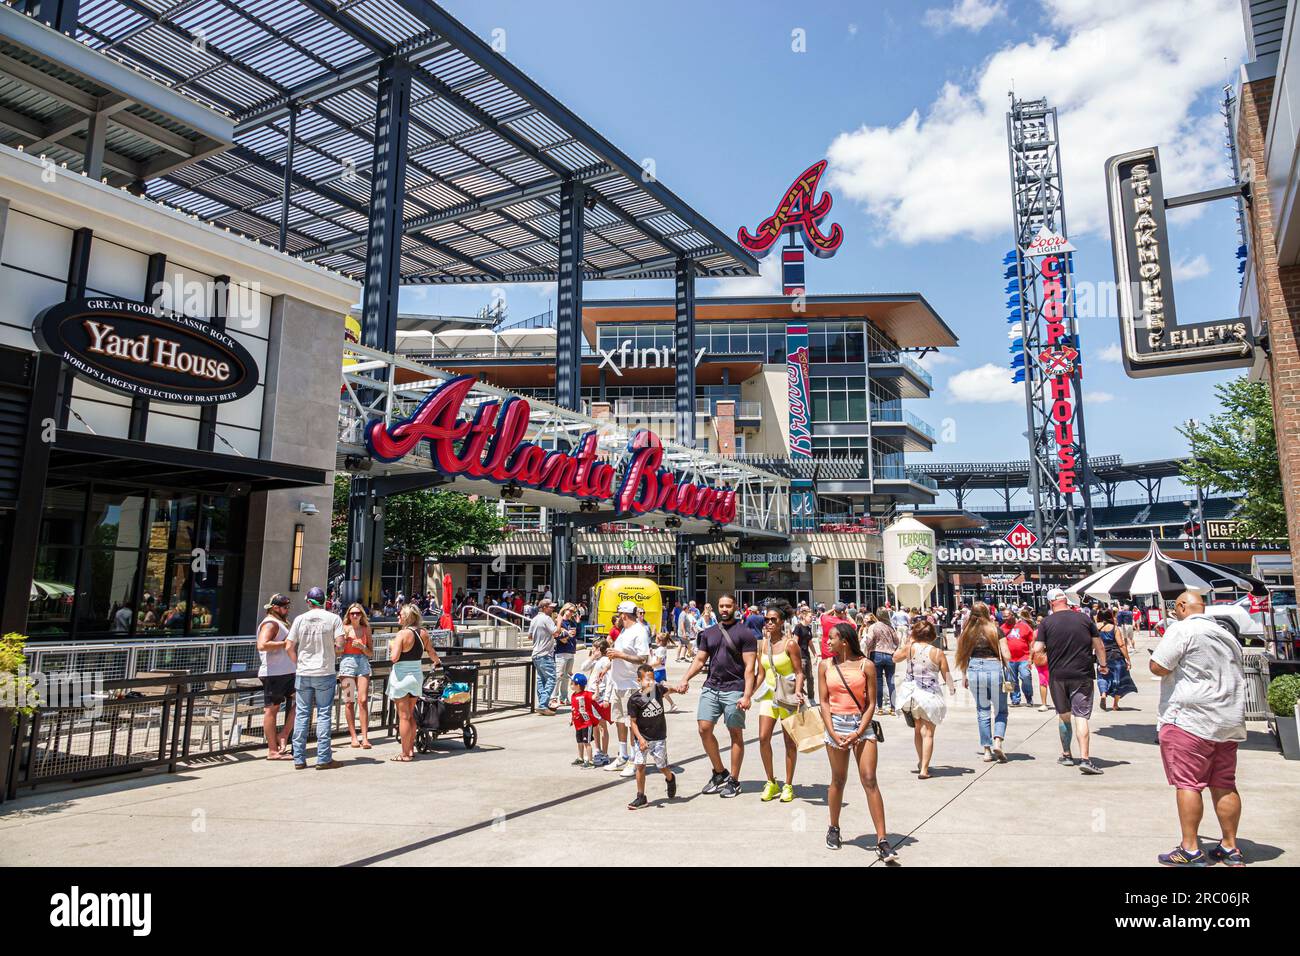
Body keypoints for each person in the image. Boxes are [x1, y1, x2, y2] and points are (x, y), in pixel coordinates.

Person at [1150, 590, 1248, 867]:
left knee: (1188, 784)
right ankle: (1230, 847)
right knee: (1224, 783)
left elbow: (1158, 666)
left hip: (1190, 719)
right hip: (1227, 719)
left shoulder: (1182, 630)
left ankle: (1190, 849)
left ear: (1181, 606)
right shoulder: (1226, 635)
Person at [819, 622, 896, 861]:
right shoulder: (825, 666)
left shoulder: (867, 665)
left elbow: (871, 703)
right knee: (838, 779)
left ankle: (882, 839)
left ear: (844, 641)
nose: (827, 642)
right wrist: (831, 731)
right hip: (836, 725)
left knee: (869, 779)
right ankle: (834, 827)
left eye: (831, 638)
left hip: (861, 725)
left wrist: (858, 731)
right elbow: (823, 701)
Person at [674, 593, 756, 798]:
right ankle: (719, 771)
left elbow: (750, 667)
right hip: (711, 687)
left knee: (735, 734)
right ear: (717, 608)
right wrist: (685, 679)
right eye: (722, 606)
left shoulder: (745, 633)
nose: (725, 609)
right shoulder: (709, 633)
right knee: (704, 729)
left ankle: (734, 780)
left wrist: (747, 695)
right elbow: (700, 660)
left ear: (735, 606)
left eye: (728, 606)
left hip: (734, 689)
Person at [1031, 589, 1108, 776]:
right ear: (1066, 600)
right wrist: (1103, 665)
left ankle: (1066, 755)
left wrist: (1046, 651)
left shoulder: (1046, 623)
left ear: (1051, 604)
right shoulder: (1084, 619)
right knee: (1081, 716)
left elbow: (1037, 648)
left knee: (1064, 715)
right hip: (1082, 673)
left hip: (1057, 675)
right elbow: (1099, 645)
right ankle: (1085, 759)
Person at [285, 586, 344, 770]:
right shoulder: (334, 619)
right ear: (324, 600)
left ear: (308, 602)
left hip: (304, 672)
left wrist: (298, 663)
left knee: (302, 714)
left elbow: (288, 646)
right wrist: (329, 654)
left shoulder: (300, 619)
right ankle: (323, 758)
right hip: (324, 671)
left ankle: (299, 758)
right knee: (324, 714)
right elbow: (340, 646)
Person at [755, 601, 805, 803]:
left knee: (789, 742)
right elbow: (761, 673)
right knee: (763, 738)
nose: (768, 623)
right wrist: (748, 693)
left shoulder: (790, 644)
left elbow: (799, 672)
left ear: (782, 621)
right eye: (766, 620)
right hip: (768, 696)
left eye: (773, 620)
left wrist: (799, 691)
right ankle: (770, 781)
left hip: (787, 697)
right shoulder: (763, 644)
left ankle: (788, 784)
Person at [894, 619, 955, 779]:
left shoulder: (909, 649)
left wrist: (909, 641)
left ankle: (921, 761)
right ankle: (924, 769)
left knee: (917, 730)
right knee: (928, 733)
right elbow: (946, 674)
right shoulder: (937, 652)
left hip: (912, 696)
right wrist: (951, 687)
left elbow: (895, 658)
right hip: (930, 696)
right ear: (932, 635)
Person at [955, 602, 1011, 763]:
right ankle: (998, 740)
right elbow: (1006, 655)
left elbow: (963, 656)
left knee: (982, 711)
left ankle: (986, 750)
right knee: (1001, 710)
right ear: (987, 613)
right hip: (994, 667)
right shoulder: (995, 630)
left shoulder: (967, 632)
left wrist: (964, 676)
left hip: (974, 669)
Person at [605, 600, 652, 776]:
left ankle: (634, 760)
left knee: (632, 724)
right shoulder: (625, 630)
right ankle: (623, 756)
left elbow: (642, 658)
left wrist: (620, 654)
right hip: (618, 683)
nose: (617, 617)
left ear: (624, 615)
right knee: (619, 720)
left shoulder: (639, 631)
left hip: (631, 685)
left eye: (619, 615)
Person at [387, 604, 439, 762]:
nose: (398, 617)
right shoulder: (423, 633)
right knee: (411, 716)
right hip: (416, 676)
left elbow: (394, 658)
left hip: (401, 677)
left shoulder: (402, 634)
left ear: (406, 617)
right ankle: (410, 750)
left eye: (400, 615)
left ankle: (404, 754)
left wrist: (392, 646)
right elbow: (431, 652)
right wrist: (437, 661)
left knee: (403, 717)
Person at [626, 664, 679, 809]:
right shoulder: (634, 700)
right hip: (642, 738)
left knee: (661, 766)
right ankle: (641, 796)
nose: (651, 682)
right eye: (647, 679)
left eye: (653, 679)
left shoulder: (657, 690)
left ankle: (670, 778)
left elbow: (669, 690)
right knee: (640, 766)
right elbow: (633, 723)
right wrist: (640, 739)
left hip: (659, 737)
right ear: (639, 680)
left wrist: (678, 689)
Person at [256, 593, 296, 760]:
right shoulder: (270, 623)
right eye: (284, 607)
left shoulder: (280, 622)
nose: (287, 610)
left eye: (288, 607)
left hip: (287, 672)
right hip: (274, 673)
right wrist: (285, 643)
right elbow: (262, 644)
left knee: (303, 701)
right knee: (271, 710)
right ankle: (272, 750)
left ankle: (284, 734)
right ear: (275, 608)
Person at [338, 603, 374, 749]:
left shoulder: (366, 629)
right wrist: (344, 642)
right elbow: (337, 651)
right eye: (352, 613)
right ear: (348, 615)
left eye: (358, 613)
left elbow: (371, 653)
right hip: (347, 662)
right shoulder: (344, 629)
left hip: (363, 663)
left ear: (362, 615)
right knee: (348, 701)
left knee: (363, 700)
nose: (355, 615)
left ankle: (365, 737)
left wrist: (363, 647)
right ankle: (353, 737)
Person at [1096, 607, 1137, 712]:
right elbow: (1121, 645)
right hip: (1115, 656)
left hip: (1101, 656)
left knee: (1102, 677)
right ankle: (1115, 705)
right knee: (1119, 679)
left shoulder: (1095, 628)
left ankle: (1104, 694)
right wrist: (1128, 659)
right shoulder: (1114, 628)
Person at [863, 608, 900, 715]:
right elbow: (897, 641)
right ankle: (893, 708)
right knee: (891, 681)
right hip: (890, 655)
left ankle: (879, 708)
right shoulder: (890, 627)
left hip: (876, 655)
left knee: (878, 682)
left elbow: (869, 641)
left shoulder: (873, 627)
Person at [583, 639, 613, 767]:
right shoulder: (596, 660)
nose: (593, 651)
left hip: (600, 696)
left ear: (601, 650)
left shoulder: (606, 661)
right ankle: (598, 749)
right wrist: (591, 658)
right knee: (594, 724)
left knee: (602, 726)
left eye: (595, 649)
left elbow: (609, 681)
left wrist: (606, 698)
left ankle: (605, 753)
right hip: (591, 693)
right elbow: (583, 667)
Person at [529, 599, 559, 716]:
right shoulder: (547, 619)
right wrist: (559, 621)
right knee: (551, 679)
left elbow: (530, 636)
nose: (552, 609)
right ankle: (542, 704)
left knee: (541, 679)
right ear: (545, 607)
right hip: (545, 654)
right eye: (550, 607)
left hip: (536, 654)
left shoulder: (535, 619)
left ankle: (542, 704)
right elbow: (555, 632)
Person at [1004, 608, 1036, 707]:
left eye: (1006, 616)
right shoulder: (1002, 628)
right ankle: (1014, 699)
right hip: (1009, 660)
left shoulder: (1024, 626)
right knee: (1009, 680)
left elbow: (1032, 642)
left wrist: (1031, 657)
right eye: (1003, 616)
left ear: (1012, 615)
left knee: (1026, 676)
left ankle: (1029, 697)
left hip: (1024, 658)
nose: (1004, 618)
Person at [568, 672, 600, 768]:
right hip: (578, 723)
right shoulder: (573, 696)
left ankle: (590, 761)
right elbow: (574, 709)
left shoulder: (586, 694)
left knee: (587, 742)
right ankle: (581, 758)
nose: (571, 685)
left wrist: (597, 687)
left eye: (572, 683)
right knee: (579, 742)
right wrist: (572, 719)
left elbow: (595, 697)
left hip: (586, 723)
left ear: (578, 685)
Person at [553, 603, 579, 708]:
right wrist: (567, 634)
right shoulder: (559, 621)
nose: (571, 613)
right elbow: (560, 637)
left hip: (570, 651)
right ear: (565, 609)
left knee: (566, 676)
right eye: (570, 610)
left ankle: (563, 698)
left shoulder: (572, 622)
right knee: (558, 675)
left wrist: (567, 634)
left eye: (573, 611)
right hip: (561, 651)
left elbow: (572, 635)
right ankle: (553, 697)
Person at [793, 605, 817, 705]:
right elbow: (795, 642)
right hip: (800, 657)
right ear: (803, 616)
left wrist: (815, 653)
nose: (812, 618)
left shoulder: (808, 628)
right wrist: (795, 656)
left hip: (807, 656)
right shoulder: (798, 627)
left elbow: (810, 642)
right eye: (810, 617)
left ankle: (811, 698)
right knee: (801, 678)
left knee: (810, 678)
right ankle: (800, 698)